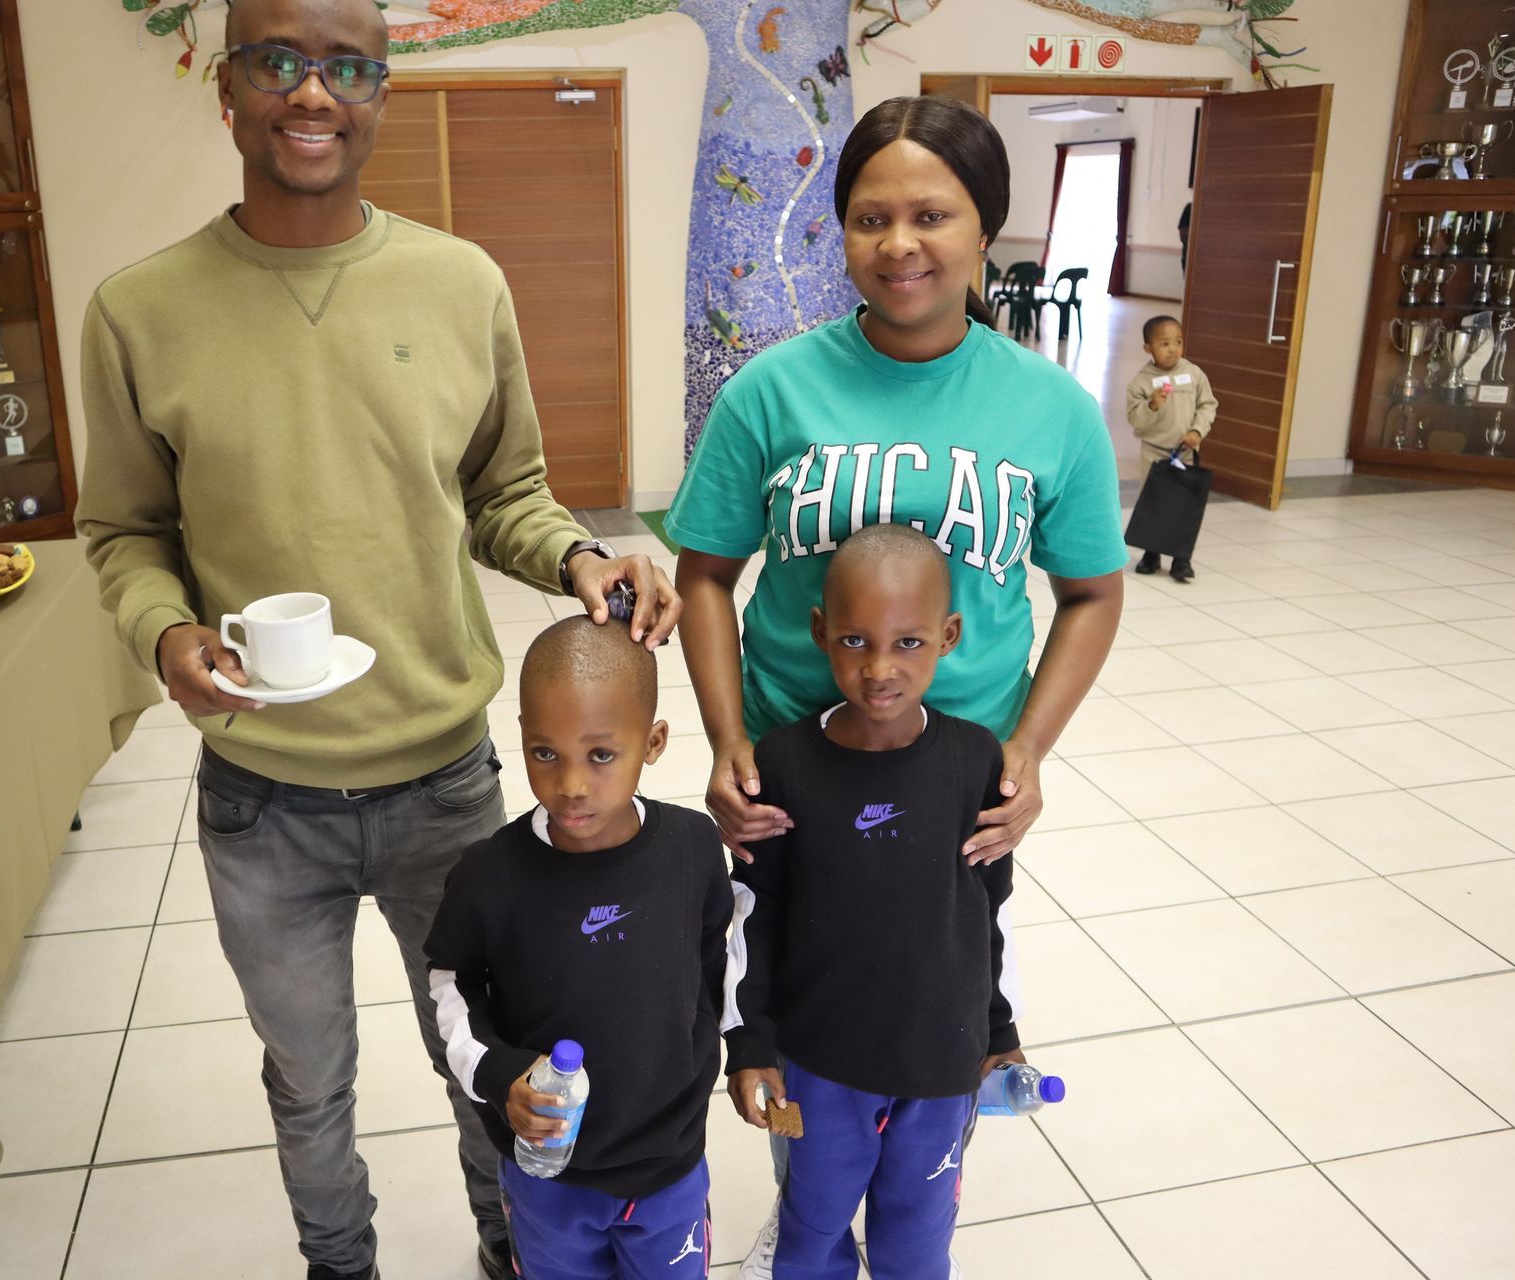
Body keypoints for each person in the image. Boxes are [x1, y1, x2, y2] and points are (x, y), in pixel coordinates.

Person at [74, 0, 681, 1275]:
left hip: (443, 784)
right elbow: (123, 531)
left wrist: (579, 557)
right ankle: (337, 1261)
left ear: (380, 95)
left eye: (347, 66)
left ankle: (510, 1246)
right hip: (262, 799)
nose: (313, 93)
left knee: (490, 1058)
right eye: (280, 61)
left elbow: (505, 493)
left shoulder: (462, 284)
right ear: (227, 88)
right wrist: (165, 629)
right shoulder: (140, 309)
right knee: (307, 1079)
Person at [665, 94, 1124, 1276]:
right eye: (871, 216)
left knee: (937, 986)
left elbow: (1091, 593)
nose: (900, 243)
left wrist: (1026, 751)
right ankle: (811, 1221)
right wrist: (727, 737)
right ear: (841, 233)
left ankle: (923, 1183)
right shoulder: (770, 392)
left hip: (956, 788)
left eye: (933, 214)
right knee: (798, 993)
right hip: (793, 777)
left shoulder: (1050, 409)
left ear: (986, 232)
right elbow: (707, 575)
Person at [723, 525, 1021, 1280]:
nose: (880, 668)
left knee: (917, 1240)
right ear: (820, 630)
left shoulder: (977, 759)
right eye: (854, 639)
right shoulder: (783, 762)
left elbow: (990, 907)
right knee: (810, 1231)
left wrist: (999, 1028)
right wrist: (750, 1045)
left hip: (941, 1064)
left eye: (910, 643)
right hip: (818, 1067)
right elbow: (750, 918)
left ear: (949, 636)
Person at [425, 616, 733, 1279]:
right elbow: (451, 985)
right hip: (547, 1172)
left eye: (600, 755)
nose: (570, 784)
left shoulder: (692, 847)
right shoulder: (488, 875)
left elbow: (719, 964)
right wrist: (498, 1071)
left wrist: (746, 1050)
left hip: (669, 1163)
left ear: (652, 743)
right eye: (545, 753)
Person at [1124, 314, 1218, 583]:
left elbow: (1208, 405)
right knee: (1154, 503)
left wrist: (1197, 431)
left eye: (1177, 342)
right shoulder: (1141, 382)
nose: (1173, 349)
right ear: (1148, 349)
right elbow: (1135, 420)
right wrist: (1152, 405)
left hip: (1185, 451)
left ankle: (1181, 560)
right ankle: (1151, 554)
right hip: (1154, 452)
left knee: (1182, 505)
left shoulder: (1193, 373)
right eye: (1164, 343)